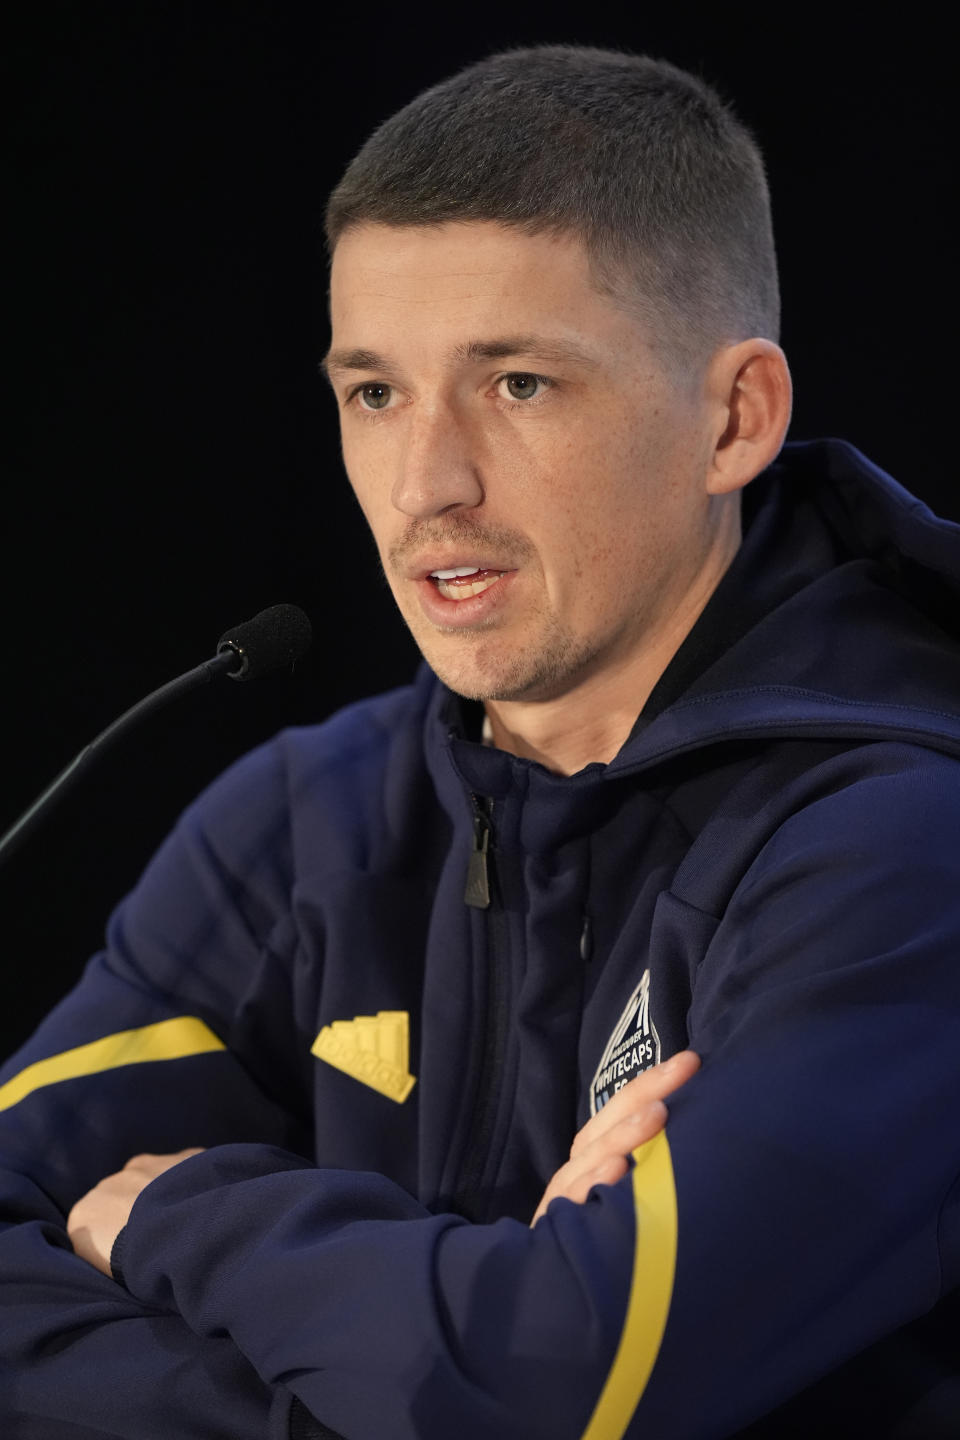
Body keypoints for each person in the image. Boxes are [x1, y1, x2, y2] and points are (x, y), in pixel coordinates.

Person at [1, 43, 958, 1440]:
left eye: (517, 385)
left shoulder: (905, 847)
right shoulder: (302, 821)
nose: (424, 484)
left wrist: (181, 1209)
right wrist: (415, 1360)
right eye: (374, 392)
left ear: (734, 417)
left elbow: (560, 1388)